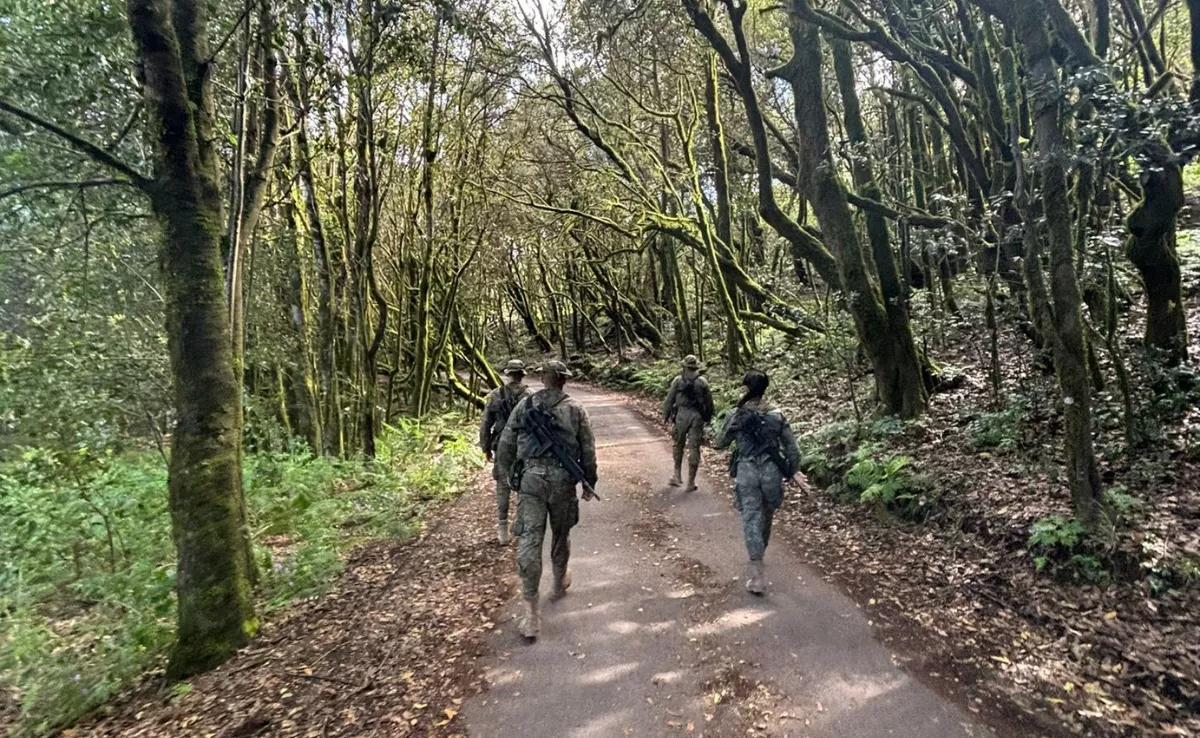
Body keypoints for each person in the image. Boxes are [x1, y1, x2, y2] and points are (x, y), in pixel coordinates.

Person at [496, 360, 598, 641]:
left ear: (542, 378)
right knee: (561, 534)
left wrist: (507, 475)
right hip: (563, 482)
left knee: (530, 539)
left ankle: (531, 616)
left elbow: (505, 442)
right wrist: (589, 481)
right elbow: (588, 450)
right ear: (563, 380)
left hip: (530, 481)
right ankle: (557, 583)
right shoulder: (576, 409)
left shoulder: (524, 406)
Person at [714, 369, 800, 596]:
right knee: (767, 513)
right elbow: (792, 448)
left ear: (746, 388)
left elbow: (720, 442)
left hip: (747, 471)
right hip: (772, 471)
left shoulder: (736, 414)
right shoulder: (776, 415)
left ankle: (757, 573)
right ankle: (760, 553)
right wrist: (791, 471)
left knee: (751, 517)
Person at [479, 359, 533, 545]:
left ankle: (502, 530)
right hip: (525, 445)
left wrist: (485, 447)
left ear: (507, 374)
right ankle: (521, 524)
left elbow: (486, 423)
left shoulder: (495, 395)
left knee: (503, 485)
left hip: (501, 444)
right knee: (524, 483)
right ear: (522, 374)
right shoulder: (531, 396)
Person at [663, 355, 714, 492]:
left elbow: (669, 400)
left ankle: (677, 474)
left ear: (684, 367)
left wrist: (666, 416)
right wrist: (707, 418)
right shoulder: (702, 382)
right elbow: (709, 402)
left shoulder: (678, 381)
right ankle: (691, 481)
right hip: (697, 416)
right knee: (694, 448)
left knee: (678, 444)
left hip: (681, 415)